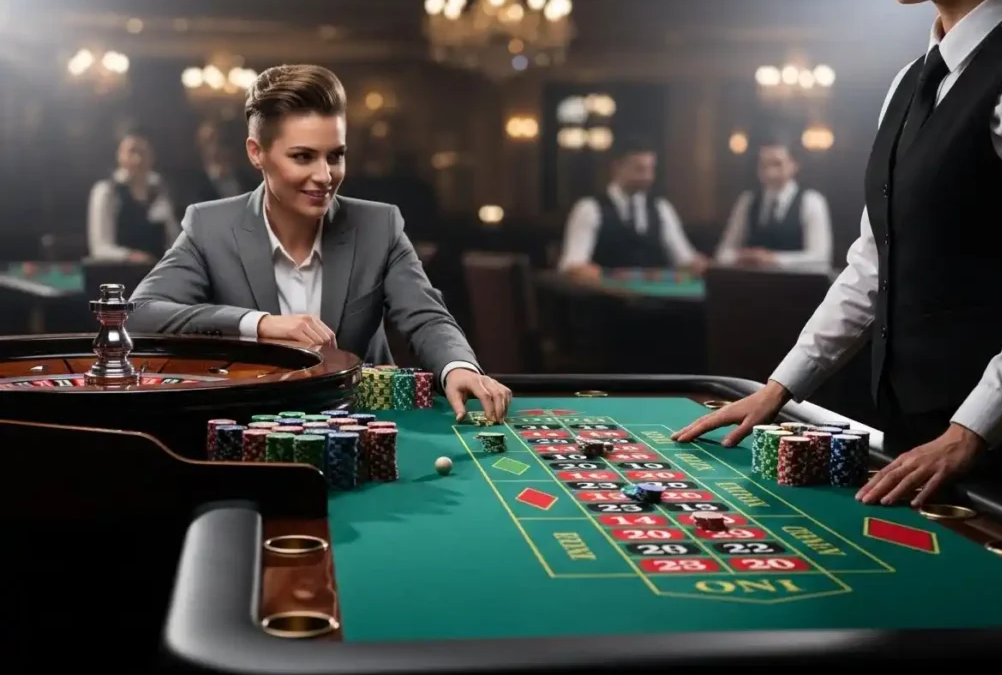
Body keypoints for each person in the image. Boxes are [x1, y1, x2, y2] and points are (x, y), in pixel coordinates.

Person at [673, 0, 1002, 509]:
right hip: (912, 434)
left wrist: (971, 431)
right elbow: (873, 263)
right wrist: (780, 388)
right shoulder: (907, 82)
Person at [127, 64, 511, 423]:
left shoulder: (379, 224)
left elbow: (425, 316)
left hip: (364, 425)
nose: (325, 175)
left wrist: (457, 366)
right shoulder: (210, 226)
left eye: (336, 156)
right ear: (256, 153)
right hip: (254, 426)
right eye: (303, 157)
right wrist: (260, 325)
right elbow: (140, 313)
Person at [557, 137, 710, 279]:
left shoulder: (661, 208)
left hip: (657, 303)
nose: (648, 177)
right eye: (639, 169)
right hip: (606, 301)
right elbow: (573, 266)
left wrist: (707, 267)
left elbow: (685, 260)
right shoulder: (589, 209)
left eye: (651, 169)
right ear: (617, 167)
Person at [714, 134, 833, 269]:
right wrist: (742, 257)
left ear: (794, 165)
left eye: (777, 164)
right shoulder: (747, 201)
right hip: (753, 284)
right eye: (763, 165)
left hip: (797, 286)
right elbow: (722, 254)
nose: (770, 172)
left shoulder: (812, 201)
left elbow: (820, 258)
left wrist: (773, 259)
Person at [87, 125, 180, 262]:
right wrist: (130, 256)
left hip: (159, 270)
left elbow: (173, 239)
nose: (138, 160)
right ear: (119, 155)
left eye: (143, 153)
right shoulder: (106, 192)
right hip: (120, 272)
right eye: (132, 152)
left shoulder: (160, 190)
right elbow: (100, 248)